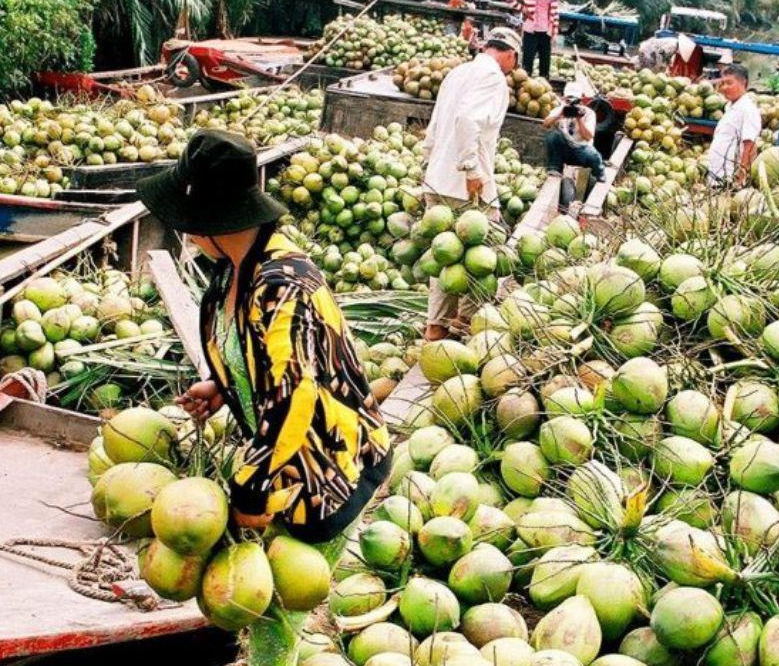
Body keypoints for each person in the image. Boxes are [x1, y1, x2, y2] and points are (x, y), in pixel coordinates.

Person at [137, 129, 391, 544]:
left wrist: (248, 491)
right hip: (282, 465)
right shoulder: (231, 269)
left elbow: (294, 397)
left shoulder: (282, 284)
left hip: (328, 473)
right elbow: (265, 359)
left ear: (209, 221)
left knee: (279, 601)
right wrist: (226, 385)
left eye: (188, 225)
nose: (188, 235)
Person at [421, 27, 520, 341]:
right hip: (466, 184)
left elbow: (436, 123)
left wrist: (428, 162)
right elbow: (467, 120)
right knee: (482, 256)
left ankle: (436, 326)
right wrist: (471, 167)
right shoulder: (492, 78)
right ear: (509, 53)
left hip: (438, 179)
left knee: (445, 258)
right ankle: (466, 323)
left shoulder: (458, 73)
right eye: (515, 61)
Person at [542, 81, 607, 210]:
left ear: (581, 99)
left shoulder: (589, 114)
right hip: (565, 152)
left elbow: (588, 136)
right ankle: (555, 170)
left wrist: (579, 118)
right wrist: (559, 115)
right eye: (568, 100)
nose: (571, 104)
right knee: (553, 136)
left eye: (575, 101)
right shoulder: (560, 110)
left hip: (582, 152)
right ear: (564, 99)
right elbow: (545, 124)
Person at [705, 63, 762, 187]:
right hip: (717, 177)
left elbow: (749, 145)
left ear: (744, 83)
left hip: (729, 180)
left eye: (729, 83)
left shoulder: (748, 109)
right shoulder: (730, 107)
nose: (725, 87)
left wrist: (740, 176)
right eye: (723, 83)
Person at [505, 0, 560, 78]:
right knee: (527, 60)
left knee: (545, 61)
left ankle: (544, 85)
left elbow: (555, 12)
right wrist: (523, 9)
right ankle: (525, 84)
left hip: (546, 31)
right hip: (531, 30)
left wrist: (555, 31)